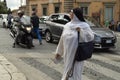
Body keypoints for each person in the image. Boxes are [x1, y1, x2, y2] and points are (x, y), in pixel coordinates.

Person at [55, 7, 94, 80]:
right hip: (68, 53)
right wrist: (59, 52)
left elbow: (91, 37)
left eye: (71, 13)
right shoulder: (67, 26)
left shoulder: (84, 25)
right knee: (67, 70)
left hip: (78, 54)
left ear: (75, 15)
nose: (70, 14)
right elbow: (62, 39)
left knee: (76, 72)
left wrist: (81, 32)